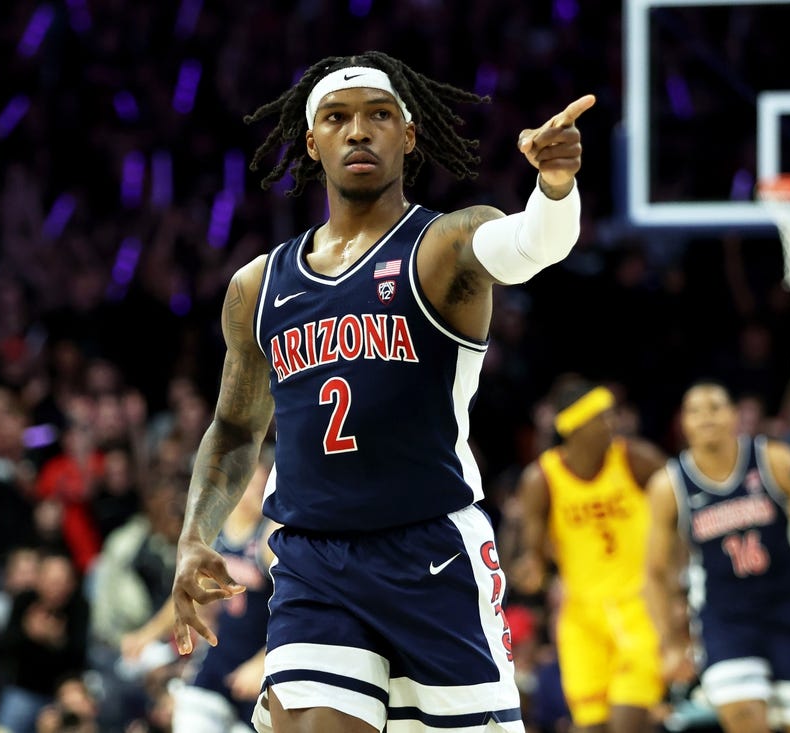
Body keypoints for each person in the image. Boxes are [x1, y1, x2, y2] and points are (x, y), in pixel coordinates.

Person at [170, 50, 593, 733]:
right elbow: (235, 427)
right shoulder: (259, 284)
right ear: (312, 143)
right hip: (316, 559)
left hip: (432, 554)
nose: (357, 131)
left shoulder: (443, 244)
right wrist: (194, 535)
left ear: (409, 134)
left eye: (377, 115)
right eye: (336, 118)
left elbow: (531, 245)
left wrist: (553, 187)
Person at [646, 381, 790, 733]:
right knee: (746, 724)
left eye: (714, 407)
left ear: (733, 415)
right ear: (683, 423)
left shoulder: (773, 461)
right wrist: (670, 644)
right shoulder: (669, 486)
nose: (705, 417)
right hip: (726, 621)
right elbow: (655, 573)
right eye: (694, 410)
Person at [513, 376, 667, 733]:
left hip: (639, 607)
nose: (613, 424)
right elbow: (533, 553)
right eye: (602, 417)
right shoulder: (542, 479)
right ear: (575, 428)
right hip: (581, 618)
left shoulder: (635, 459)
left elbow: (684, 505)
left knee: (627, 722)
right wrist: (532, 567)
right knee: (589, 726)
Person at [122, 448, 276, 732]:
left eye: (261, 481)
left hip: (259, 676)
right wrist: (147, 634)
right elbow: (187, 596)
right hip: (213, 668)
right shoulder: (213, 535)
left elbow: (296, 607)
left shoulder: (269, 538)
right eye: (250, 480)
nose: (255, 488)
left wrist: (264, 663)